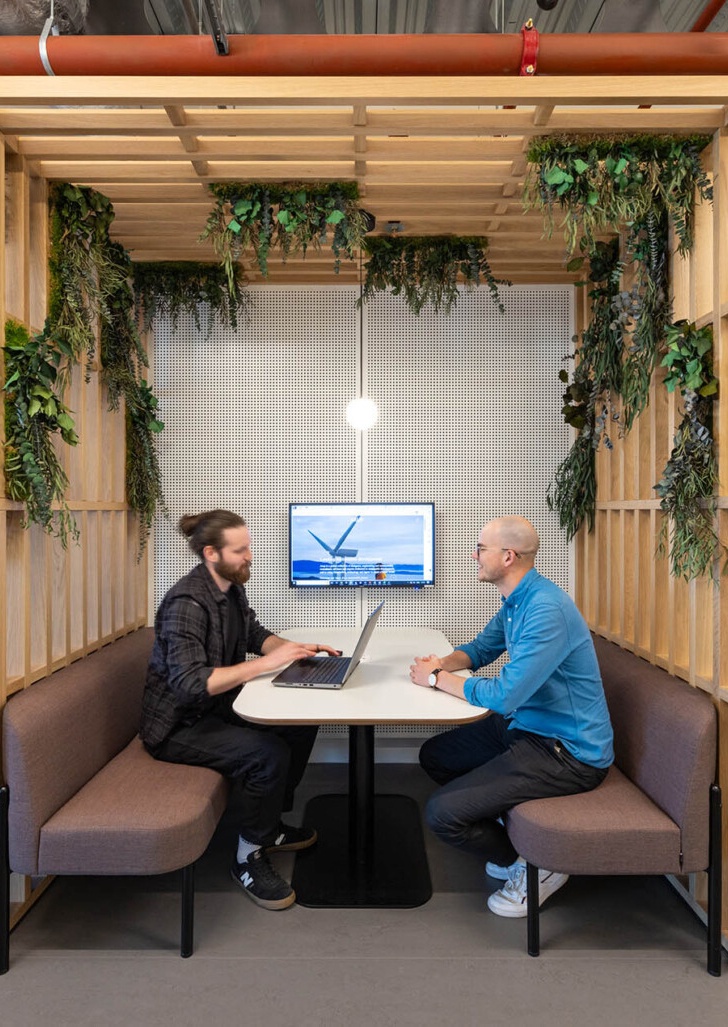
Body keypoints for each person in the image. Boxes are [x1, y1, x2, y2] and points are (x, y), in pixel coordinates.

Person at [409, 515, 613, 918]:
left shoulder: (545, 609)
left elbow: (505, 695)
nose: (474, 555)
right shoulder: (517, 599)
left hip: (567, 752)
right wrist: (443, 662)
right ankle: (508, 826)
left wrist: (436, 679)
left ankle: (534, 864)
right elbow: (482, 648)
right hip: (527, 726)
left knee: (441, 815)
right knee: (436, 756)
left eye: (481, 548)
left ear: (507, 556)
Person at [141, 509, 341, 911]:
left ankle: (269, 828)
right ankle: (247, 856)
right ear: (211, 553)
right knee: (267, 754)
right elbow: (191, 684)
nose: (250, 556)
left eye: (248, 547)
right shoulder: (186, 602)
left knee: (301, 721)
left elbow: (252, 633)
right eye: (241, 550)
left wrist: (294, 651)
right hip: (180, 726)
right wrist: (266, 665)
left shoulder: (230, 587)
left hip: (215, 708)